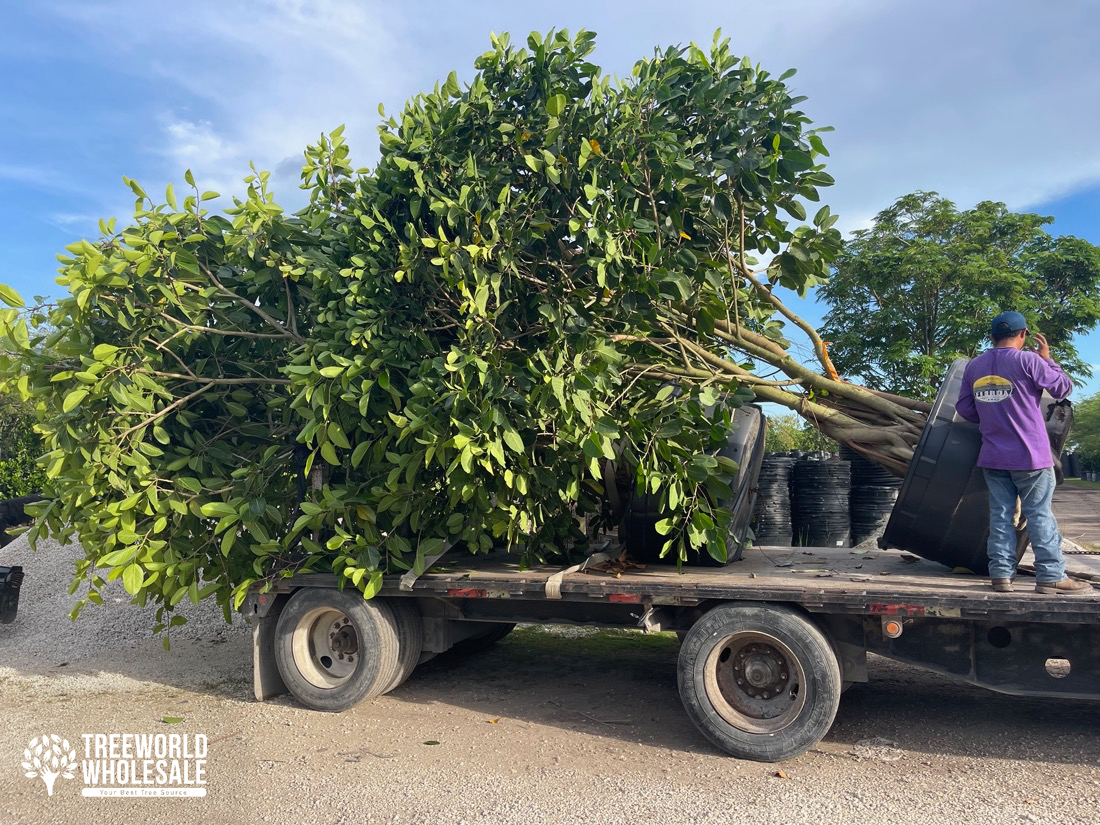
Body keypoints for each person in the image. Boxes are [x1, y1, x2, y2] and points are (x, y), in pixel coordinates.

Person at [955, 310, 1090, 594]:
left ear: (991, 337)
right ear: (1023, 334)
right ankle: (1052, 575)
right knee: (1039, 514)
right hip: (1031, 456)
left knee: (1000, 516)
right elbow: (1063, 387)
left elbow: (965, 410)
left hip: (993, 457)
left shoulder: (975, 366)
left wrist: (994, 413)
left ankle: (1002, 576)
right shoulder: (1029, 361)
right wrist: (1047, 359)